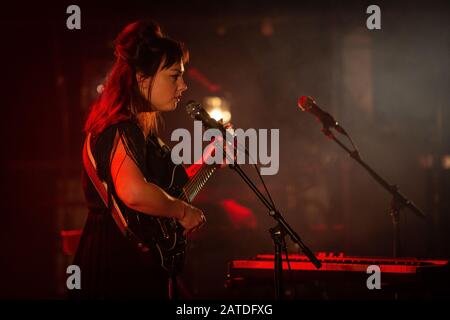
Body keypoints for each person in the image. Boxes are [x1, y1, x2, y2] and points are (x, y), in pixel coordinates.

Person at [71, 20, 207, 299]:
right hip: (119, 268)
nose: (183, 86)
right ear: (142, 78)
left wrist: (209, 161)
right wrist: (182, 211)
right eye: (174, 76)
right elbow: (134, 191)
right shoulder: (121, 128)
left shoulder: (125, 126)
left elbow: (162, 192)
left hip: (122, 262)